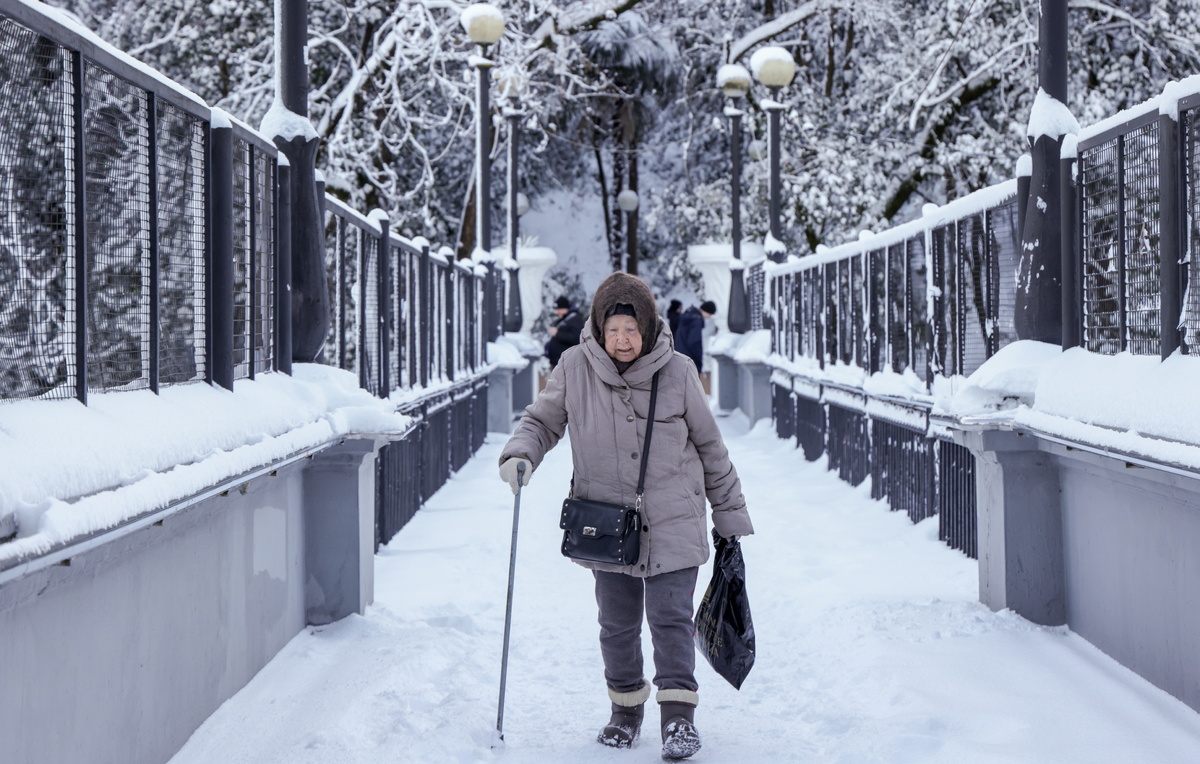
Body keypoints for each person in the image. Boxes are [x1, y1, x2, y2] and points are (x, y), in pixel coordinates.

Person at [497, 272, 753, 760]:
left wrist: (730, 517)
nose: (622, 340)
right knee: (615, 623)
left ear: (650, 328)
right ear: (599, 327)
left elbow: (712, 449)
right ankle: (625, 711)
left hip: (674, 517)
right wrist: (520, 453)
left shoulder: (678, 372)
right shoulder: (574, 367)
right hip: (607, 523)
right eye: (614, 330)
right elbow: (541, 420)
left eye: (631, 331)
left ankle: (679, 719)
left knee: (670, 620)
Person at [674, 300, 716, 372]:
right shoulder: (696, 320)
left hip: (680, 356)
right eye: (710, 314)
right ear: (706, 311)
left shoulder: (688, 316)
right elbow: (694, 342)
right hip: (689, 360)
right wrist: (698, 363)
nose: (709, 317)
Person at [544, 296, 584, 369]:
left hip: (568, 364)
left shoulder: (575, 320)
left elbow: (577, 338)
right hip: (559, 363)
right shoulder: (564, 320)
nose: (557, 312)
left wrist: (557, 333)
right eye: (557, 310)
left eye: (560, 309)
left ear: (566, 308)